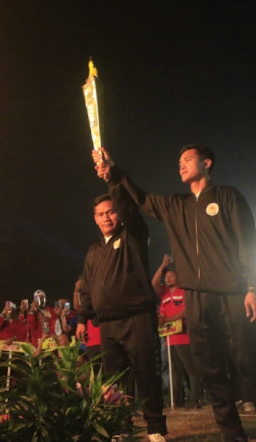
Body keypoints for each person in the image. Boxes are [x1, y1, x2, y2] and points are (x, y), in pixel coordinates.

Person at [96, 144, 256, 442]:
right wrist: (113, 173)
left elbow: (248, 242)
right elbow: (138, 197)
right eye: (179, 161)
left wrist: (251, 286)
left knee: (250, 364)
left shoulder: (228, 196)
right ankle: (232, 434)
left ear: (206, 163)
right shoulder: (175, 205)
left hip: (234, 294)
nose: (180, 165)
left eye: (187, 160)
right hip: (196, 297)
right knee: (211, 369)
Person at [75, 186, 167, 441]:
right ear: (94, 218)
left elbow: (132, 212)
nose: (106, 218)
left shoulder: (132, 237)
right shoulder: (94, 250)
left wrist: (112, 180)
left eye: (111, 211)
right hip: (107, 324)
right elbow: (86, 286)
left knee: (146, 373)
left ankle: (155, 428)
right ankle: (121, 427)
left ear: (120, 213)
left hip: (137, 317)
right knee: (113, 380)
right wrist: (82, 318)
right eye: (100, 214)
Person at [151, 255, 203, 409]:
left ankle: (196, 399)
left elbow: (187, 311)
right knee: (175, 371)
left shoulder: (185, 291)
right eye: (166, 276)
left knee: (191, 369)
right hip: (169, 338)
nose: (167, 278)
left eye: (171, 275)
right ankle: (177, 399)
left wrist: (168, 319)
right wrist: (163, 265)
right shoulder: (165, 293)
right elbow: (154, 283)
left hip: (185, 336)